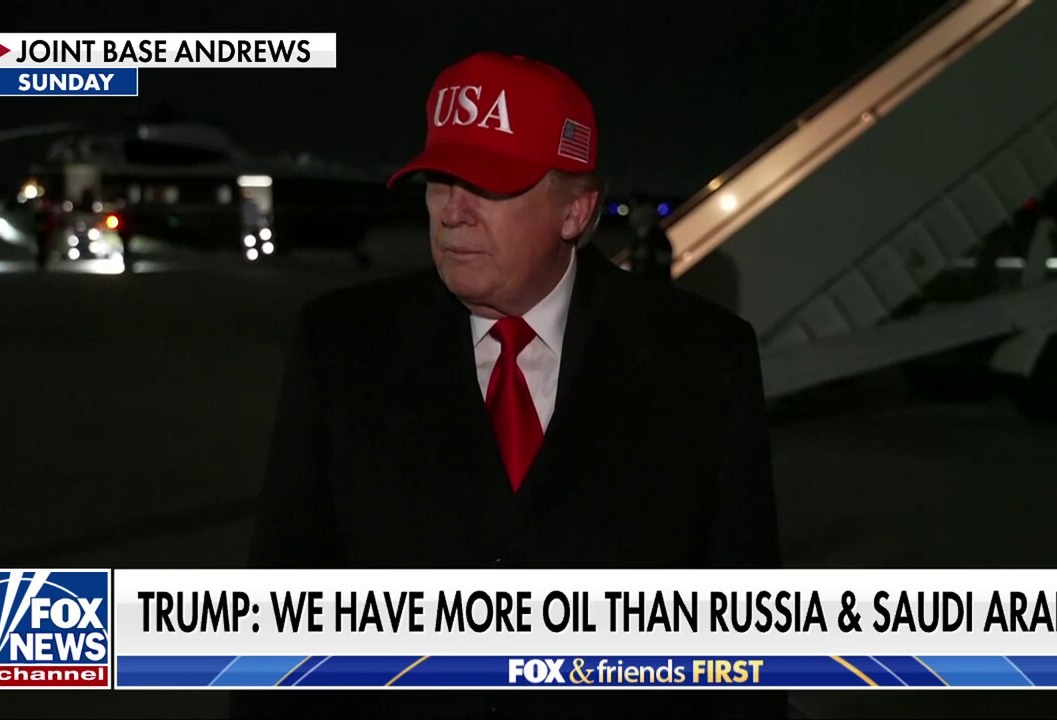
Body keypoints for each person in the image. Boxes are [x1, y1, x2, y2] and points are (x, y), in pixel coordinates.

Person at [233, 51, 783, 720]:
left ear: (575, 211)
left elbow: (741, 642)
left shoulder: (703, 358)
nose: (452, 211)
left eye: (487, 186)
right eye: (439, 181)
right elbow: (281, 615)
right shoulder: (341, 345)